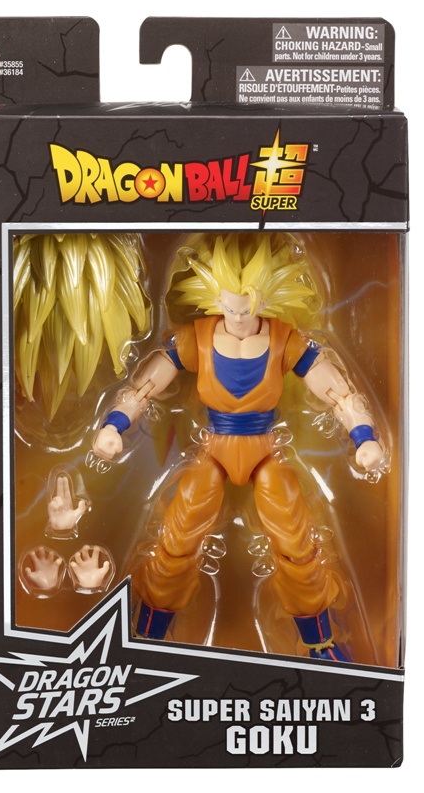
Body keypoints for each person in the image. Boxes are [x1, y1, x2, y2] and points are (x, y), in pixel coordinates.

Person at [92, 233, 384, 661]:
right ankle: (148, 637)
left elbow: (338, 392)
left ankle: (321, 644)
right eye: (229, 309)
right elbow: (145, 387)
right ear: (215, 299)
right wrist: (115, 426)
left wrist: (363, 437)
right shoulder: (197, 337)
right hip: (213, 448)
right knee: (179, 535)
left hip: (265, 449)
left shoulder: (285, 340)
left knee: (296, 540)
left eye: (246, 310)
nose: (238, 318)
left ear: (264, 300)